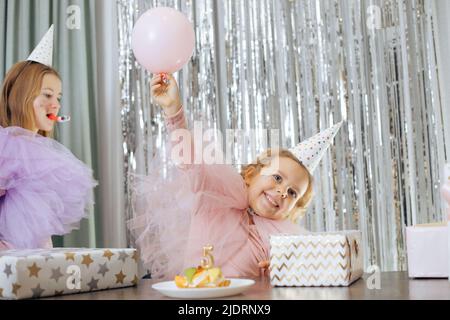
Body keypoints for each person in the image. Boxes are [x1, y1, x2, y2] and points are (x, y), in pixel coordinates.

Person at [128, 73, 342, 279]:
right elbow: (189, 161)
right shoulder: (215, 193)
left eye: (292, 192)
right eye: (277, 178)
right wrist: (173, 111)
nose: (282, 191)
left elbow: (309, 269)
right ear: (251, 175)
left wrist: (282, 272)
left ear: (293, 209)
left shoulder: (281, 241)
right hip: (195, 294)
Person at [0, 25, 96, 250]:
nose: (56, 104)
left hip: (33, 264)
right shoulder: (6, 148)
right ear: (23, 95)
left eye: (58, 97)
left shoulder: (42, 156)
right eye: (47, 95)